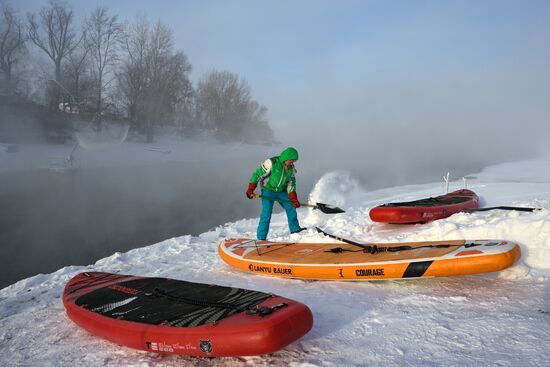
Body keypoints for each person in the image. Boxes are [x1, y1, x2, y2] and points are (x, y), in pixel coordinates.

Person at [246, 147, 305, 240]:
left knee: (291, 208)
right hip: (268, 191)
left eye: (294, 161)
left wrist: (294, 199)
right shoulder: (271, 163)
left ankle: (295, 230)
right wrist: (251, 189)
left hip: (282, 191)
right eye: (292, 160)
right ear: (286, 158)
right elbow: (257, 174)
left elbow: (291, 184)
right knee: (266, 213)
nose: (293, 163)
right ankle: (261, 238)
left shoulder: (291, 169)